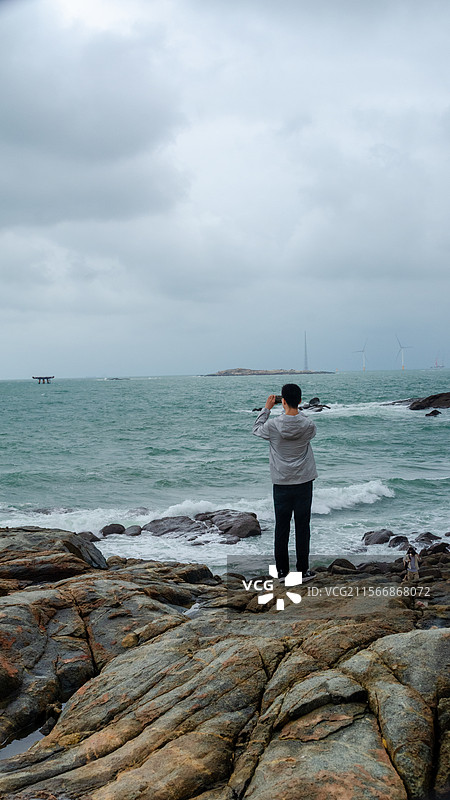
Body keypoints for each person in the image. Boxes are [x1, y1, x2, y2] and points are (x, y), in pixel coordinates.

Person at [253, 383, 318, 581]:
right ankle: (303, 571)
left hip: (281, 483)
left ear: (282, 401)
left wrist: (266, 409)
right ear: (299, 400)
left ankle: (282, 572)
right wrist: (298, 411)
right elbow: (307, 427)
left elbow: (256, 429)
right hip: (304, 481)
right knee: (302, 527)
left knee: (282, 527)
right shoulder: (308, 425)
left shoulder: (273, 426)